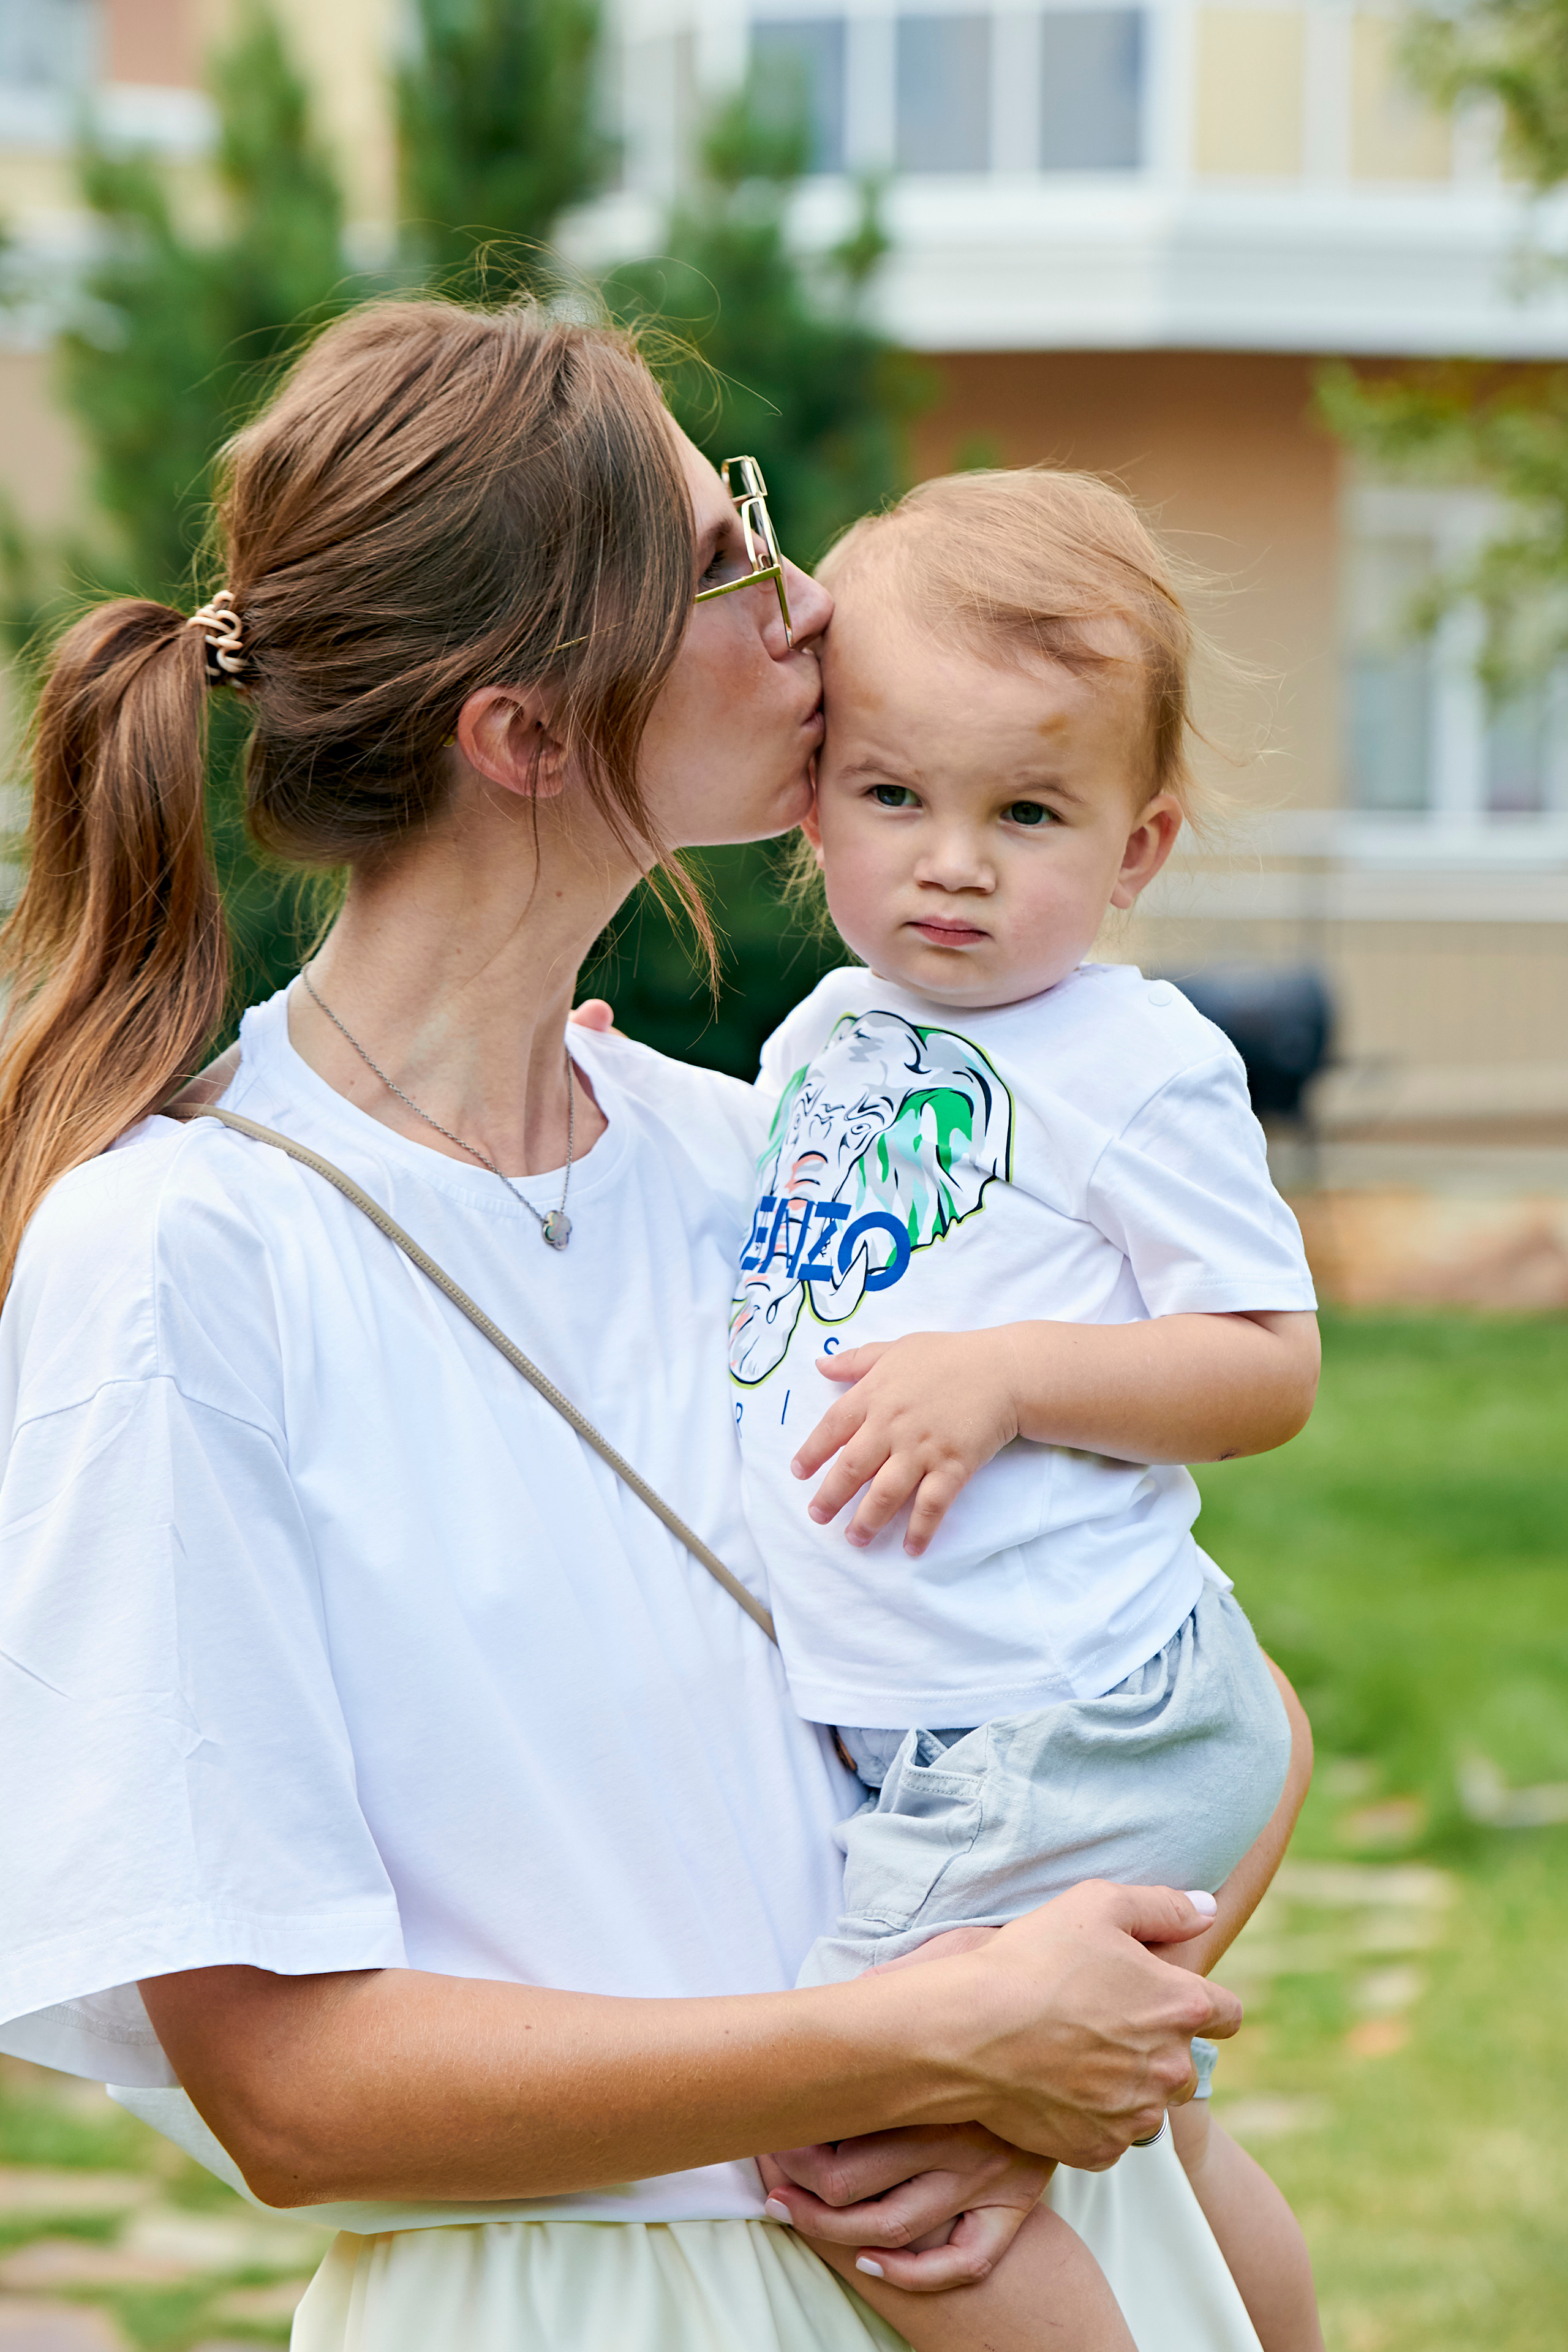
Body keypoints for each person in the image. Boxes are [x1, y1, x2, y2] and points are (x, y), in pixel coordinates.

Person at [0, 296, 1297, 2352]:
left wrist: (1028, 2074)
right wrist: (924, 2042)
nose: (808, 606)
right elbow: (288, 2097)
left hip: (1013, 2242)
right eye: (726, 557)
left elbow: (1207, 1697)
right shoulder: (182, 1256)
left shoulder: (768, 1157)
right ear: (527, 736)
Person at [728, 470, 1325, 2352]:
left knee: (860, 2145)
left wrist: (1013, 1380)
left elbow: (1267, 1361)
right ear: (814, 798)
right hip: (958, 1713)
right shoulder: (821, 1036)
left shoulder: (1133, 1061)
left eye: (1030, 813)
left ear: (1137, 848)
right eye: (895, 794)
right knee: (1156, 2141)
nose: (955, 862)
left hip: (1058, 1718)